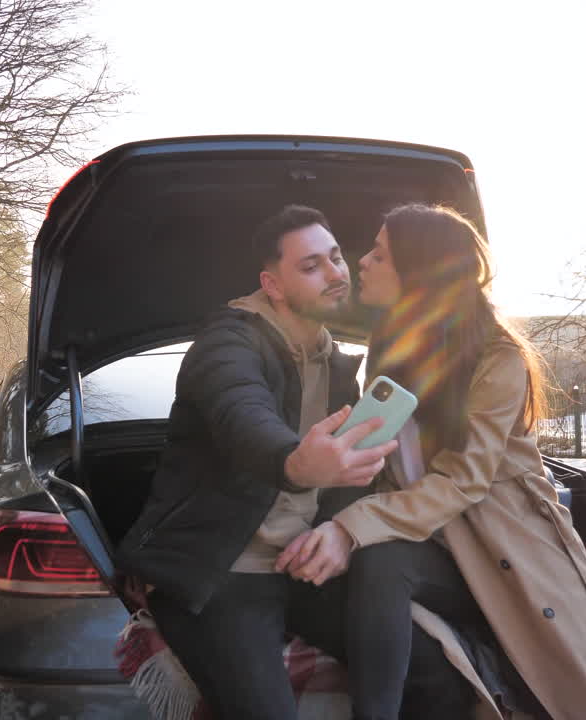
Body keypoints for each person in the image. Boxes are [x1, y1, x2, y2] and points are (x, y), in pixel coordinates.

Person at [285, 202, 586, 719]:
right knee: (356, 566)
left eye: (379, 254)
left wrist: (351, 528)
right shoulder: (391, 349)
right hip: (435, 549)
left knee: (381, 556)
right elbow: (368, 470)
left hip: (504, 554)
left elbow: (463, 481)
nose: (362, 262)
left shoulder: (497, 359)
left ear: (420, 273)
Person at [115, 205, 471, 720]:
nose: (335, 274)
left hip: (303, 568)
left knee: (437, 676)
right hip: (221, 575)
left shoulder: (342, 366)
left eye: (335, 258)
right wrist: (295, 463)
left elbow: (353, 480)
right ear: (273, 285)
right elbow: (242, 413)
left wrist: (337, 532)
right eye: (311, 267)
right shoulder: (227, 344)